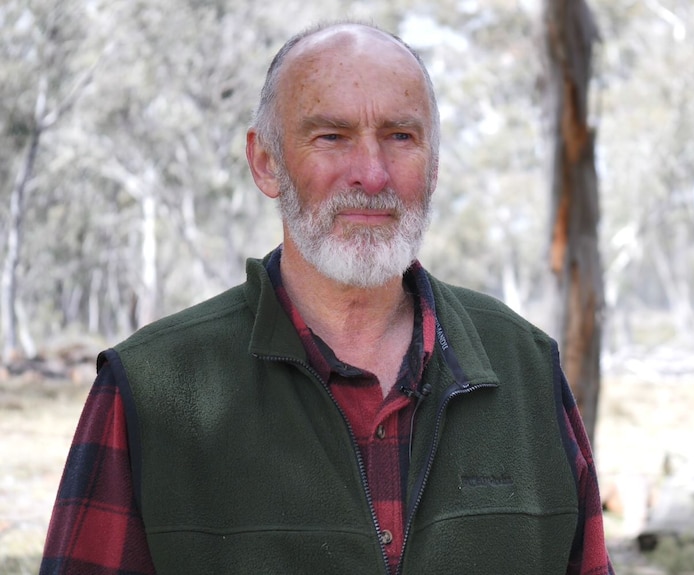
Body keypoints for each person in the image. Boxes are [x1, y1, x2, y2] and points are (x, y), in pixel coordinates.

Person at [40, 21, 614, 575]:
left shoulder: (526, 368)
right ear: (266, 162)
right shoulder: (152, 389)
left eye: (400, 136)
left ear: (433, 164)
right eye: (331, 136)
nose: (371, 172)